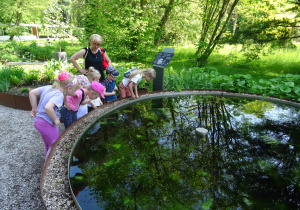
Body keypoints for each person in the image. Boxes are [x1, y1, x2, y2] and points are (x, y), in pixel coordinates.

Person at [29, 70, 79, 163]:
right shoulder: (59, 95)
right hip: (47, 123)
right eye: (74, 89)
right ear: (68, 89)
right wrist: (56, 120)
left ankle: (46, 160)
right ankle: (47, 167)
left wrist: (34, 108)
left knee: (48, 144)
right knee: (54, 145)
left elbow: (32, 92)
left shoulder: (49, 87)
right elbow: (48, 107)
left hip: (38, 121)